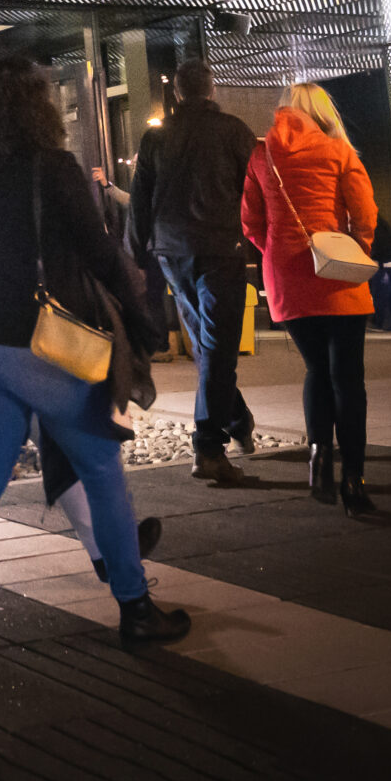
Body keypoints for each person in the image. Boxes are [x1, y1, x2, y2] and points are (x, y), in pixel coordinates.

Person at [0, 53, 188, 679]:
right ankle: (135, 607)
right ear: (37, 107)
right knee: (101, 468)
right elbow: (100, 253)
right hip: (41, 342)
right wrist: (143, 321)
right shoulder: (52, 168)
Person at [241, 83, 381, 515]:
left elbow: (250, 221)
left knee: (316, 369)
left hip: (286, 274)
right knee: (348, 378)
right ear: (322, 111)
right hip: (337, 274)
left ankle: (319, 461)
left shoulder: (261, 155)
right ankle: (353, 479)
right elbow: (365, 213)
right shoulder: (338, 151)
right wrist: (354, 250)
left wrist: (279, 255)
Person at [131, 60, 261, 484]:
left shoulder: (155, 137)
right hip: (221, 247)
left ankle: (237, 420)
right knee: (218, 346)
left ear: (177, 93)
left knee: (209, 345)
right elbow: (256, 190)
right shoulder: (234, 131)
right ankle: (208, 447)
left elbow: (140, 200)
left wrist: (136, 257)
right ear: (212, 89)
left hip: (171, 251)